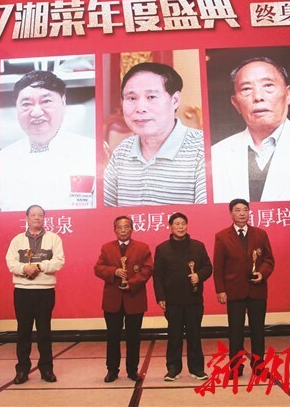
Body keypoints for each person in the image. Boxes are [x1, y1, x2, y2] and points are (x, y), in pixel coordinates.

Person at [211, 57, 290, 203]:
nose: (258, 97)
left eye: (268, 85)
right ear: (236, 104)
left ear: (288, 94)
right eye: (246, 89)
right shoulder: (216, 154)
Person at [103, 62, 206, 206]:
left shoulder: (202, 148)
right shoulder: (122, 151)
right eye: (132, 98)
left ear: (175, 100)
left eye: (151, 97)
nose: (140, 108)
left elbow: (207, 216)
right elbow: (104, 212)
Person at [0, 70, 96, 211]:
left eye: (46, 101)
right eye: (26, 104)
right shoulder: (2, 160)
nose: (36, 112)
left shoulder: (91, 151)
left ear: (63, 102)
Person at [213, 198, 274, 377]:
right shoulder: (222, 236)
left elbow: (269, 260)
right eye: (238, 210)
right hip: (234, 291)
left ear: (249, 212)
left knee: (258, 330)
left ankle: (258, 366)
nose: (242, 213)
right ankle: (235, 367)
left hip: (257, 289)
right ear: (231, 213)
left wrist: (262, 273)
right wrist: (220, 290)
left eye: (245, 210)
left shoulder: (260, 234)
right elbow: (218, 266)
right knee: (235, 331)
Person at [6, 204, 65, 384]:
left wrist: (38, 266)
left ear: (44, 218)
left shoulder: (54, 238)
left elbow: (59, 261)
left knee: (44, 332)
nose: (37, 218)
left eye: (40, 215)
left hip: (45, 291)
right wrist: (25, 268)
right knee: (23, 332)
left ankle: (46, 369)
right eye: (33, 215)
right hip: (23, 291)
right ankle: (22, 370)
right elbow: (10, 262)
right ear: (27, 218)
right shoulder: (17, 240)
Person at [153, 212, 213, 381]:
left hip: (193, 299)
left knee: (195, 335)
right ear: (170, 227)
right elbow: (157, 276)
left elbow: (208, 267)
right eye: (177, 224)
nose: (180, 227)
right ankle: (173, 368)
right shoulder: (162, 248)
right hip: (172, 300)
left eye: (183, 223)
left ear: (187, 225)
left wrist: (199, 276)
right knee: (174, 336)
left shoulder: (198, 246)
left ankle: (197, 368)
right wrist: (160, 297)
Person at [94, 216, 153, 382]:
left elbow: (148, 269)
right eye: (119, 227)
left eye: (126, 227)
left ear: (132, 229)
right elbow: (98, 268)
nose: (123, 230)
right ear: (114, 230)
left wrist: (131, 283)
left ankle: (132, 370)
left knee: (134, 337)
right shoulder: (107, 248)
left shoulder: (142, 248)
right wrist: (114, 271)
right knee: (112, 337)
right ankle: (112, 370)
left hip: (135, 298)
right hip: (112, 300)